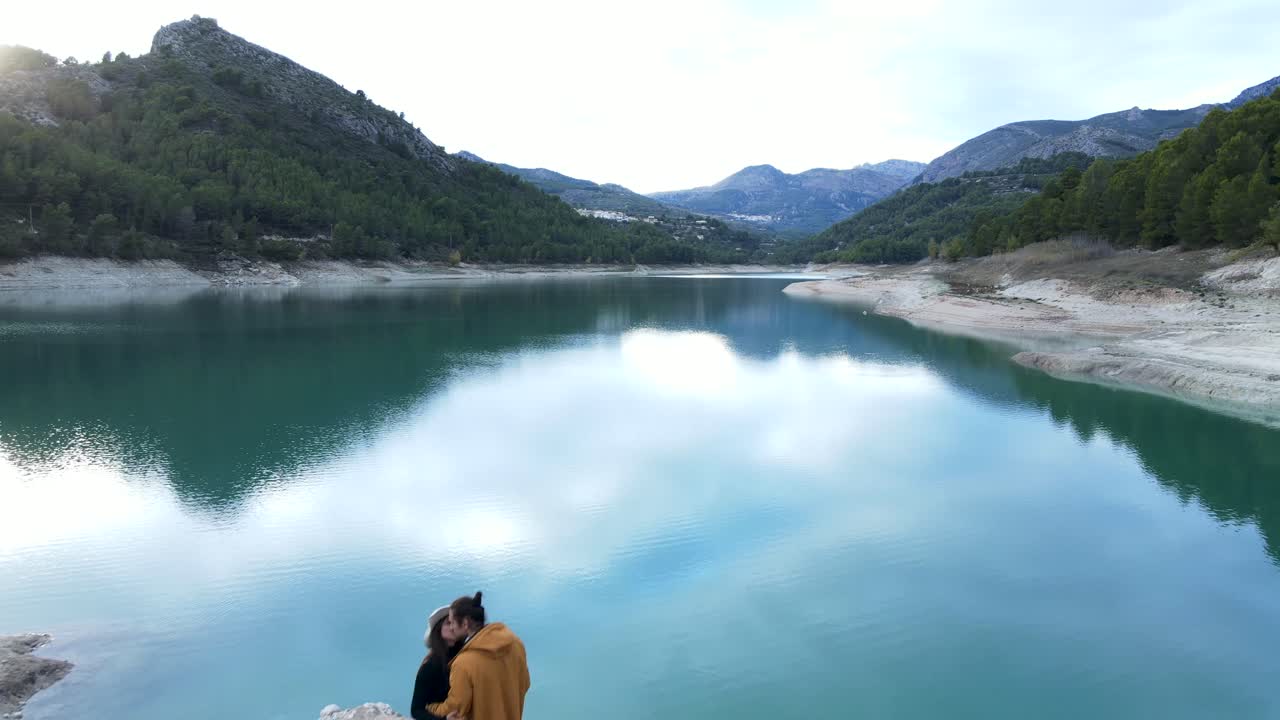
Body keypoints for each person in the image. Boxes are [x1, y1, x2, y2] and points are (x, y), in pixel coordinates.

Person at [426, 592, 530, 720]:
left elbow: (455, 708)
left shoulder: (463, 663)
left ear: (465, 623)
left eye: (452, 622)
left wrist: (430, 708)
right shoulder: (515, 643)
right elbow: (525, 683)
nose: (451, 627)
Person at [411, 604, 465, 720]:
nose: (452, 627)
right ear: (438, 629)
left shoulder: (465, 655)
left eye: (454, 623)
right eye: (448, 623)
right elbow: (416, 710)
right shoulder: (430, 665)